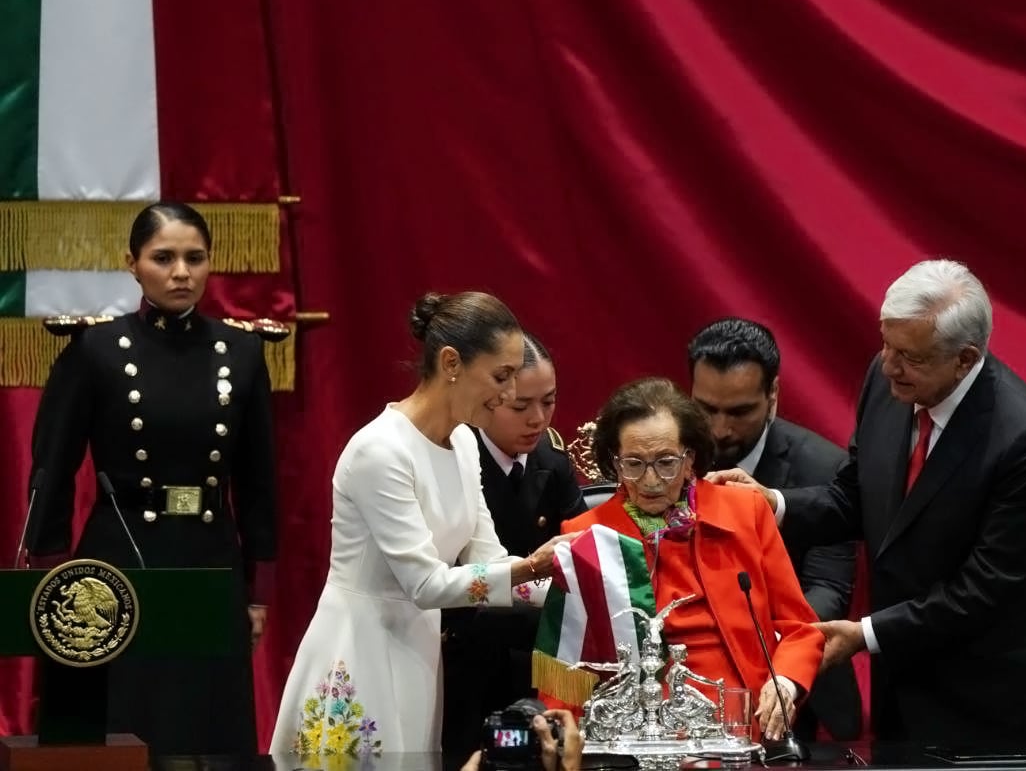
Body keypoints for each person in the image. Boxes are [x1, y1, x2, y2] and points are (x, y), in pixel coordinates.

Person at [710, 259, 1026, 744]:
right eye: (887, 344)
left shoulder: (1025, 439)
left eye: (911, 357)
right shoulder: (888, 383)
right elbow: (854, 497)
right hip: (903, 687)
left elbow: (987, 587)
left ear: (964, 360)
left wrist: (864, 635)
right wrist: (770, 504)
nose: (888, 366)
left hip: (994, 704)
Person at [270, 292, 573, 755]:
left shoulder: (465, 443)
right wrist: (532, 568)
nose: (510, 394)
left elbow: (488, 560)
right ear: (451, 363)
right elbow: (426, 584)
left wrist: (576, 584)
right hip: (360, 647)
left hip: (418, 648)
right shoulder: (381, 450)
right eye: (501, 376)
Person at [26, 201, 277, 755]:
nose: (181, 272)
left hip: (210, 558)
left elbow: (259, 481)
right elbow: (53, 467)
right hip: (118, 558)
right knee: (121, 723)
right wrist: (48, 573)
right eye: (163, 258)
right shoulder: (95, 349)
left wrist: (256, 593)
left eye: (195, 257)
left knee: (207, 730)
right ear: (133, 264)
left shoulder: (241, 352)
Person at [561, 377, 823, 742]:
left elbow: (800, 629)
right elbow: (566, 668)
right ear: (614, 464)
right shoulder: (586, 536)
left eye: (666, 462)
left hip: (744, 725)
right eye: (634, 463)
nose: (650, 480)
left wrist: (785, 683)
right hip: (637, 736)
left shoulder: (746, 513)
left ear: (690, 460)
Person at [688, 317, 861, 739]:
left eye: (740, 411)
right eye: (705, 408)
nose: (719, 429)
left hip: (796, 692)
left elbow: (827, 591)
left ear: (773, 396)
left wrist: (752, 650)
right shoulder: (671, 457)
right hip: (688, 684)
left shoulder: (825, 469)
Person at [442, 333, 587, 750]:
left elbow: (578, 552)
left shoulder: (552, 463)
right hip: (466, 651)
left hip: (537, 656)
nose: (538, 419)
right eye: (521, 406)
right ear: (488, 397)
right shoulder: (457, 457)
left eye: (549, 401)